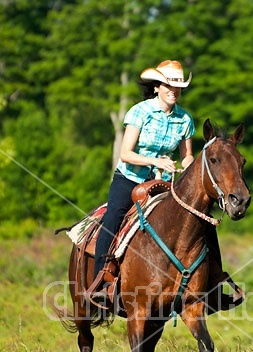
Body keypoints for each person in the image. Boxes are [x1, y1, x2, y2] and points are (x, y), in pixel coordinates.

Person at [89, 59, 243, 311]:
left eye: (178, 87)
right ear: (157, 86)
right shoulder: (140, 112)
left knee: (203, 221)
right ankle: (102, 283)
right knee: (113, 218)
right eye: (168, 85)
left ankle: (214, 285)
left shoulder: (185, 119)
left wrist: (189, 168)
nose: (174, 91)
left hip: (164, 184)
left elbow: (187, 156)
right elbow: (126, 153)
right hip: (130, 179)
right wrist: (154, 160)